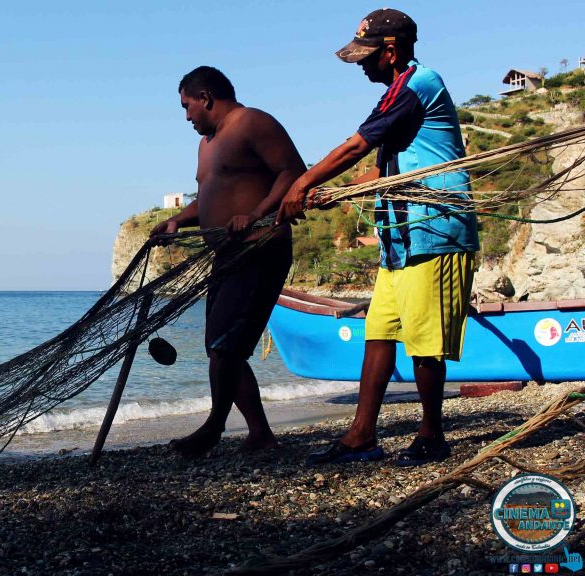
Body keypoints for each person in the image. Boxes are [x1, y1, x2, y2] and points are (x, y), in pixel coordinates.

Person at [276, 8, 479, 466]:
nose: (362, 67)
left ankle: (431, 436)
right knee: (380, 332)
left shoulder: (417, 84)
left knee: (424, 342)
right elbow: (383, 168)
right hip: (400, 238)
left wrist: (301, 184)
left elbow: (355, 146)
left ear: (391, 51)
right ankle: (361, 434)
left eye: (367, 58)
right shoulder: (397, 92)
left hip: (435, 232)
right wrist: (336, 193)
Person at [150, 66, 305, 456]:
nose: (186, 116)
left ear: (205, 97)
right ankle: (259, 435)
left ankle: (214, 428)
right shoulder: (206, 144)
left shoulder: (253, 122)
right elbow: (206, 198)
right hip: (227, 254)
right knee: (220, 347)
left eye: (187, 106)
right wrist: (176, 221)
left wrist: (256, 213)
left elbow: (293, 172)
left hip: (260, 248)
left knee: (224, 345)